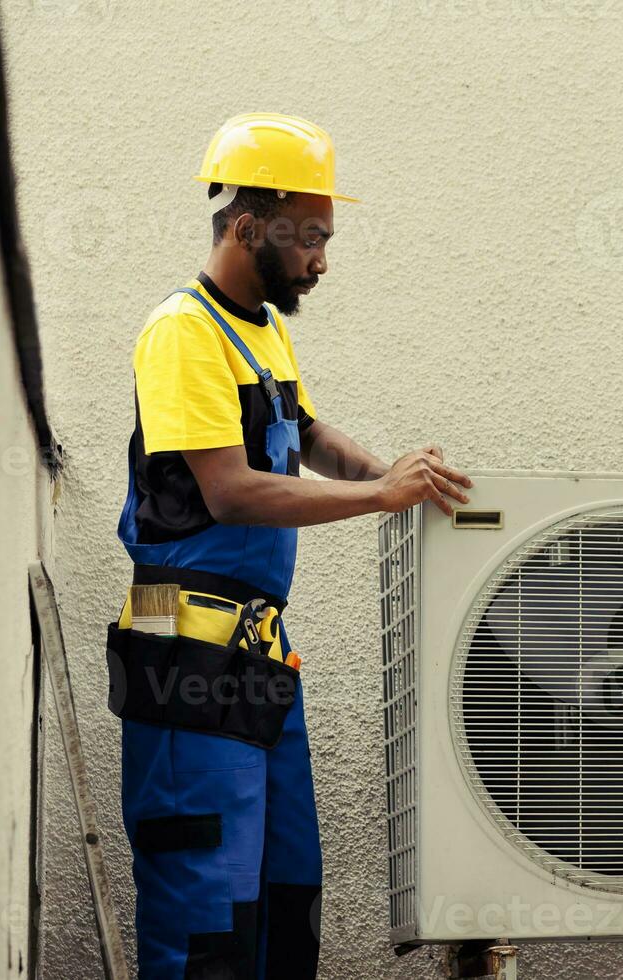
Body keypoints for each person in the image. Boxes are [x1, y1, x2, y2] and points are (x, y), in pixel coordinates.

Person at [109, 112, 472, 979]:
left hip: (254, 655)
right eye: (308, 236)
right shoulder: (180, 333)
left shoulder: (263, 328)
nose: (321, 257)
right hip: (182, 652)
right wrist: (377, 496)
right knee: (207, 911)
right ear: (245, 227)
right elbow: (230, 492)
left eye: (325, 236)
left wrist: (396, 478)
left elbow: (305, 433)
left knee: (282, 896)